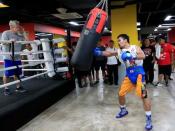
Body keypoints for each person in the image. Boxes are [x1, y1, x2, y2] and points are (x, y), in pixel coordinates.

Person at [94, 34, 153, 130]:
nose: (118, 42)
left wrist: (132, 56)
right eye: (118, 40)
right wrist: (99, 53)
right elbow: (109, 54)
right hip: (129, 75)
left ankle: (149, 119)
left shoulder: (134, 47)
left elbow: (142, 56)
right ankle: (123, 110)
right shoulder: (119, 50)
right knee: (120, 93)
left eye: (120, 40)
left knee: (144, 95)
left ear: (126, 40)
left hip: (139, 75)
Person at [1, 20, 28, 95]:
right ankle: (6, 88)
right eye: (17, 26)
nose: (18, 28)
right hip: (8, 57)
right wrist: (9, 41)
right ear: (11, 26)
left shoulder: (19, 34)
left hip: (17, 57)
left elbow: (26, 42)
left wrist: (24, 33)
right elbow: (2, 42)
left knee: (17, 73)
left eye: (19, 26)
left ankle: (18, 87)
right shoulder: (6, 33)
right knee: (7, 74)